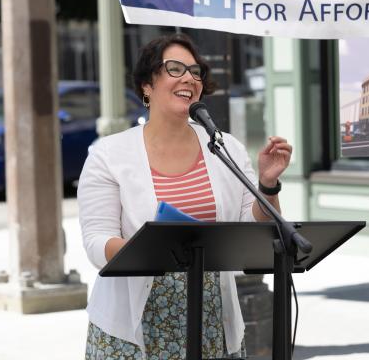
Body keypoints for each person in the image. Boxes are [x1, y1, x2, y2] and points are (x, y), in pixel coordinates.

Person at [78, 33, 292, 359]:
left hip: (210, 321)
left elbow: (252, 226)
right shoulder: (109, 154)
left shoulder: (225, 148)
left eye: (195, 71)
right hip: (134, 329)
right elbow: (96, 241)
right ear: (147, 85)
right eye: (175, 68)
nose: (189, 78)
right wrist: (152, 252)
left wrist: (267, 185)